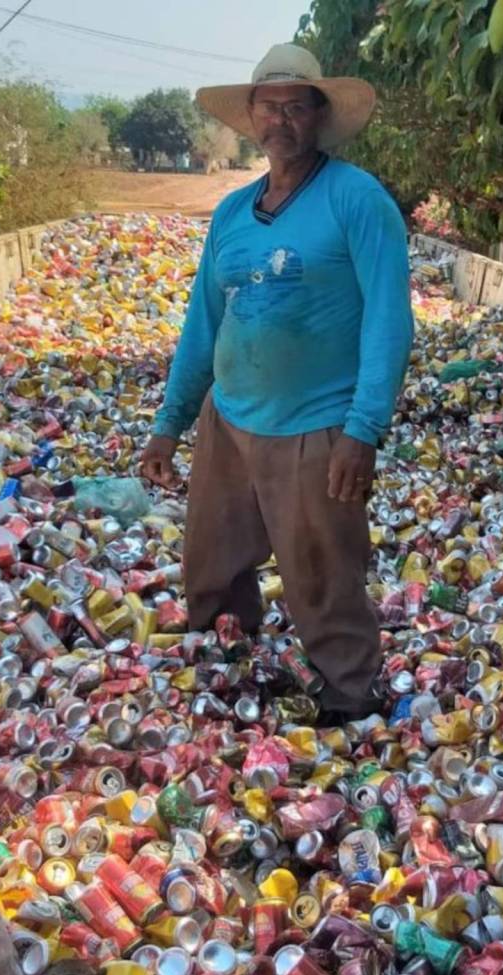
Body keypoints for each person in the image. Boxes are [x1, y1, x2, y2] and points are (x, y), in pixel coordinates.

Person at [141, 43, 413, 721]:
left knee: (323, 572)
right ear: (252, 118)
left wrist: (364, 428)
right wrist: (168, 424)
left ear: (318, 116)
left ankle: (350, 693)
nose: (282, 120)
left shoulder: (357, 199)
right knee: (213, 560)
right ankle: (227, 657)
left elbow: (389, 317)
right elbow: (203, 324)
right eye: (271, 106)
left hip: (315, 427)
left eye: (298, 106)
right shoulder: (233, 214)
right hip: (229, 420)